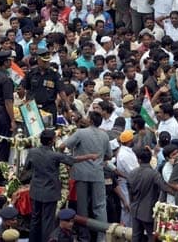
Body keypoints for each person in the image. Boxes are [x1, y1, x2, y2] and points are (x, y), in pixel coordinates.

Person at [26, 129, 98, 242]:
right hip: (49, 192)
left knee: (35, 219)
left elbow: (27, 168)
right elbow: (73, 160)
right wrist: (89, 156)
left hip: (35, 190)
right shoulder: (54, 155)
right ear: (51, 141)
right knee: (47, 222)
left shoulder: (32, 152)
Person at [60, 111, 111, 242]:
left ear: (90, 120)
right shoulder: (104, 135)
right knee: (100, 207)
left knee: (82, 208)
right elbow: (109, 156)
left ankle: (84, 237)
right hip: (98, 173)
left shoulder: (80, 133)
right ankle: (102, 238)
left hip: (81, 173)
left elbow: (63, 145)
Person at [127, 146, 173, 242]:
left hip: (135, 209)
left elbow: (130, 192)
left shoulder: (131, 173)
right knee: (152, 237)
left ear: (139, 160)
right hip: (148, 211)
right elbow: (164, 187)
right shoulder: (153, 174)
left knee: (136, 236)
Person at [22, 48, 66, 125]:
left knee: (50, 131)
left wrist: (68, 109)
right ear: (38, 60)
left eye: (48, 61)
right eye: (44, 61)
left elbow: (61, 92)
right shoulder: (31, 73)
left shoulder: (54, 74)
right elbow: (27, 90)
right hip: (34, 108)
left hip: (49, 107)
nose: (47, 63)